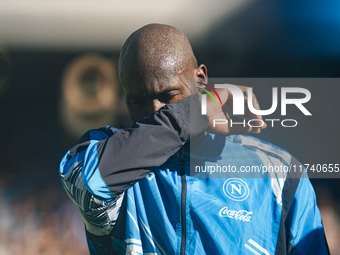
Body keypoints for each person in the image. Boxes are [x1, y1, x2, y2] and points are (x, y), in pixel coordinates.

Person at [59, 24, 329, 255]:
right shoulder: (106, 153)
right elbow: (89, 184)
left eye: (169, 97)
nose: (156, 112)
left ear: (200, 79)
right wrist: (195, 111)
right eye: (138, 101)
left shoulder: (280, 174)